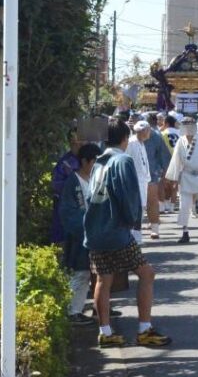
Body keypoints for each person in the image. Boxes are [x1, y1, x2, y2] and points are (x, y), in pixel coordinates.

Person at [83, 120, 171, 348]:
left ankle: (105, 331)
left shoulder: (99, 162)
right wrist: (133, 220)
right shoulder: (123, 160)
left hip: (95, 229)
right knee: (147, 274)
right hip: (116, 229)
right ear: (125, 138)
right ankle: (144, 329)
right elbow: (128, 195)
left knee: (103, 278)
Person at [59, 141, 100, 326]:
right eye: (94, 162)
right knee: (81, 273)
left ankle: (99, 307)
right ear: (84, 161)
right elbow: (67, 213)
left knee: (101, 274)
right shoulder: (73, 182)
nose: (96, 167)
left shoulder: (96, 178)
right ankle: (73, 311)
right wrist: (85, 226)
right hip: (80, 238)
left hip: (98, 234)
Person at [165, 116, 198, 244]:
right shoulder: (180, 141)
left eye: (190, 124)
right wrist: (174, 179)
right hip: (186, 175)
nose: (188, 127)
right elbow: (176, 161)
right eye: (185, 125)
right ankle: (185, 231)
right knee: (184, 206)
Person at [142, 112, 170, 239]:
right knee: (149, 201)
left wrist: (164, 173)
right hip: (144, 172)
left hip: (151, 172)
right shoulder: (133, 137)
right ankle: (150, 227)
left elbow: (164, 156)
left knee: (151, 200)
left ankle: (154, 227)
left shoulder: (156, 136)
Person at [51, 129, 82, 244]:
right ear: (72, 143)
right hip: (67, 209)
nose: (80, 144)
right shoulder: (65, 163)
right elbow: (56, 185)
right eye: (76, 142)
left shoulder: (86, 159)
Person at [126, 121, 153, 244]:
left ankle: (136, 236)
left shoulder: (142, 143)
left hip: (143, 181)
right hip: (134, 182)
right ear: (142, 131)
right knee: (135, 209)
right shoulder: (131, 143)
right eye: (148, 130)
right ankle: (133, 237)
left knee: (141, 208)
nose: (149, 133)